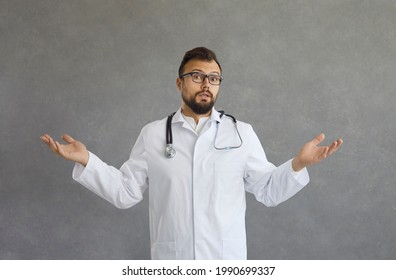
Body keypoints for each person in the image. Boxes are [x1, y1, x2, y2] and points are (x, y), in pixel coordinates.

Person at [41, 47, 343, 260]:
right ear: (179, 82)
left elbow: (267, 191)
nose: (206, 84)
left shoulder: (241, 133)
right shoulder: (154, 134)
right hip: (172, 263)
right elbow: (125, 192)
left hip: (226, 264)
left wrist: (298, 164)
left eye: (214, 78)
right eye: (197, 76)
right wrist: (87, 160)